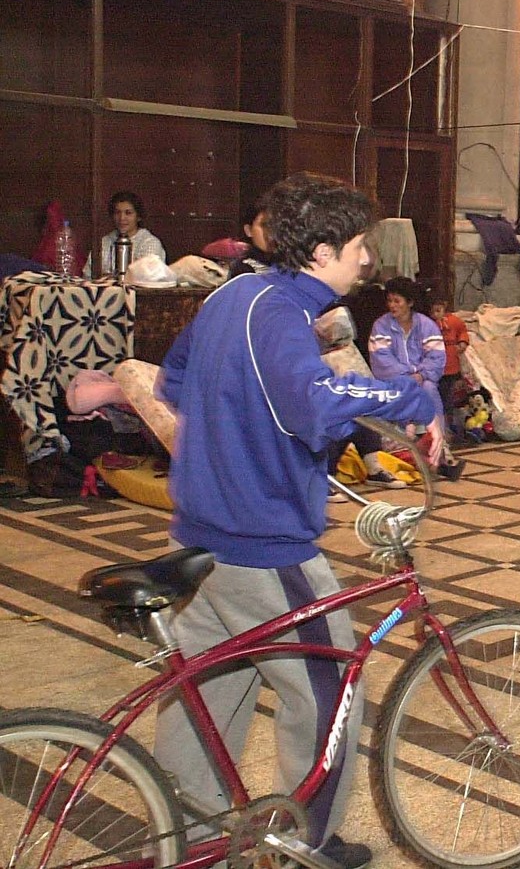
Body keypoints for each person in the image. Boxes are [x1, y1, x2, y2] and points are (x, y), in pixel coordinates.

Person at [153, 172, 444, 869]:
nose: (368, 260)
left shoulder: (233, 294)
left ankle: (188, 840)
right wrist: (412, 399)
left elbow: (172, 380)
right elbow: (313, 400)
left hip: (200, 534)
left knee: (206, 694)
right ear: (321, 251)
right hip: (264, 545)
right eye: (358, 245)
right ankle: (303, 845)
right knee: (329, 690)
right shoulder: (280, 313)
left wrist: (239, 434)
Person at [370, 277, 465, 482]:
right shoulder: (381, 326)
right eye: (390, 301)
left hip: (423, 380)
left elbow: (437, 357)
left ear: (410, 302)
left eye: (397, 301)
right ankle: (434, 454)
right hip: (395, 382)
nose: (392, 306)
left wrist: (421, 374)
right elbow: (381, 360)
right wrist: (408, 376)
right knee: (412, 390)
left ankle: (439, 449)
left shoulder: (426, 325)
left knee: (429, 388)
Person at [96, 190, 166, 276]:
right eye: (117, 213)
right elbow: (89, 275)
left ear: (138, 217)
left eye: (128, 213)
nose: (122, 218)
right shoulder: (104, 241)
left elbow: (147, 278)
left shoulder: (150, 243)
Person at [429, 295, 469, 427]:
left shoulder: (454, 321)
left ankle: (449, 423)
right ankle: (440, 424)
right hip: (435, 367)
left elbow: (462, 330)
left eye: (438, 310)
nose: (435, 314)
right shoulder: (428, 324)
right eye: (433, 311)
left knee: (449, 396)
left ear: (444, 307)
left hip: (451, 366)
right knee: (437, 396)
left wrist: (462, 342)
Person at [227, 199, 273, 279]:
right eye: (264, 225)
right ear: (248, 230)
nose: (271, 230)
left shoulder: (293, 265)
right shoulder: (243, 269)